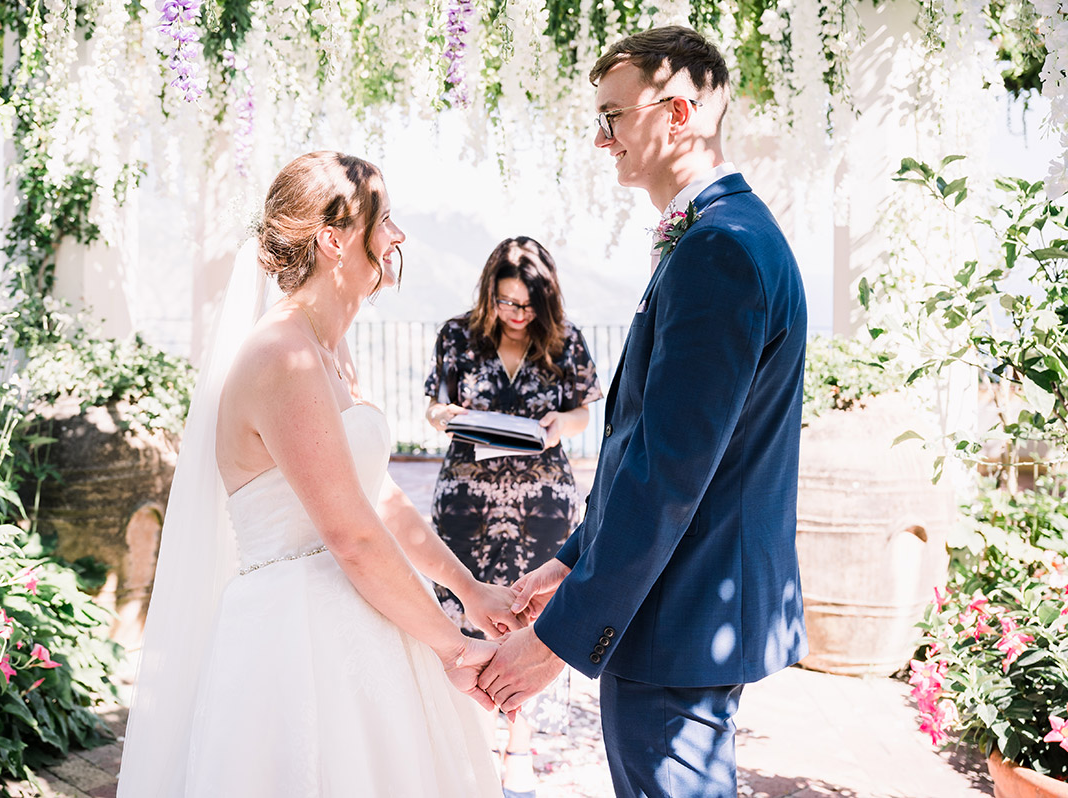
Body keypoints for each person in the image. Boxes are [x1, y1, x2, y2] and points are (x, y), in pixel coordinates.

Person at [117, 151, 522, 797]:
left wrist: (469, 589)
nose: (398, 236)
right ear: (334, 240)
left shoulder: (330, 349)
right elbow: (352, 537)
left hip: (364, 621)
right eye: (383, 218)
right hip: (300, 644)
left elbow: (378, 497)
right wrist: (454, 647)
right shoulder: (283, 355)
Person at [478, 26, 810, 798]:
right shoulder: (725, 237)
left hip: (677, 619)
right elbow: (660, 447)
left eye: (613, 116)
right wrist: (570, 560)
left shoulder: (719, 251)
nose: (602, 141)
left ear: (679, 113)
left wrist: (555, 644)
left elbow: (669, 471)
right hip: (681, 610)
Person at [423, 236, 603, 797]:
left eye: (526, 305)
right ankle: (469, 732)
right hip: (467, 500)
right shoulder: (456, 335)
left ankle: (519, 737)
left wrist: (558, 424)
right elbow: (433, 405)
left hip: (541, 499)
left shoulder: (565, 339)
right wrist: (445, 416)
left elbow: (582, 412)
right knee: (463, 611)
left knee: (531, 614)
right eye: (505, 302)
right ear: (489, 295)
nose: (516, 314)